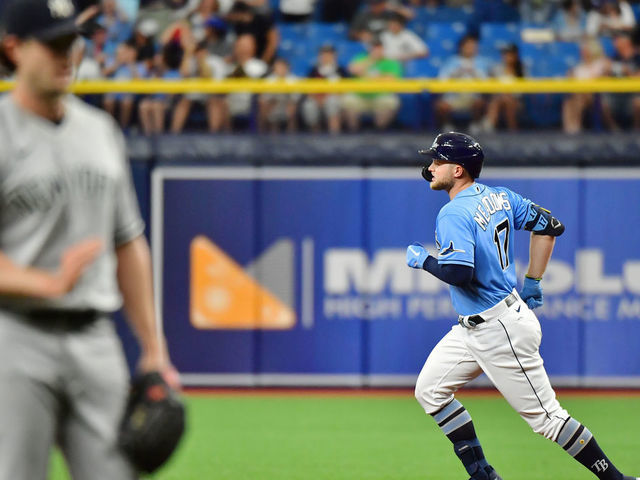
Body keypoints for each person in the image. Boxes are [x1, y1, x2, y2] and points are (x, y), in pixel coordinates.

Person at [0, 0, 178, 479]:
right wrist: (48, 283)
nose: (67, 56)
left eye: (72, 42)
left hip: (97, 340)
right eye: (53, 44)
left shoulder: (100, 132)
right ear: (13, 48)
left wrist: (153, 349)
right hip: (15, 339)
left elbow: (129, 244)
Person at [406, 131, 638, 480]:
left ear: (458, 171)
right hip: (477, 325)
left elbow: (458, 272)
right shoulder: (499, 197)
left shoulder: (453, 213)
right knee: (430, 391)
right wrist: (533, 281)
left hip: (500, 329)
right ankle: (482, 474)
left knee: (548, 420)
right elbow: (550, 226)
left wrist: (424, 260)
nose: (431, 165)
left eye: (438, 160)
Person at [434, 34, 490, 134]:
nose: (471, 49)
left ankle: (476, 124)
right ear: (462, 47)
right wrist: (456, 73)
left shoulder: (481, 62)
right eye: (468, 46)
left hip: (472, 96)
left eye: (473, 47)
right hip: (454, 96)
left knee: (480, 103)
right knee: (440, 105)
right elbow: (441, 80)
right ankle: (447, 125)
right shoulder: (451, 61)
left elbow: (486, 83)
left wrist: (474, 73)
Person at [342, 39, 402, 131]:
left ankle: (380, 130)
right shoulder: (361, 58)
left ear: (383, 49)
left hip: (380, 95)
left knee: (391, 102)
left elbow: (391, 79)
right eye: (374, 48)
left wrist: (372, 77)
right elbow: (353, 69)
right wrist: (371, 60)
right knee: (348, 100)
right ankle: (353, 131)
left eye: (379, 48)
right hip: (359, 95)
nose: (377, 51)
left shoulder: (390, 61)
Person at [562, 38, 610, 133]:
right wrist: (570, 76)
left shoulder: (602, 63)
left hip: (598, 95)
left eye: (586, 50)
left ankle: (574, 128)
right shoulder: (578, 68)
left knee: (579, 97)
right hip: (580, 95)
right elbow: (571, 82)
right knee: (568, 102)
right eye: (582, 51)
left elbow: (605, 75)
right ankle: (571, 130)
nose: (583, 53)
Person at [302, 44, 349, 133]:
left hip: (335, 97)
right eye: (324, 54)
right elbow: (307, 88)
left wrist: (330, 96)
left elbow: (346, 89)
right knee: (309, 105)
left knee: (332, 102)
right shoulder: (313, 70)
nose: (326, 57)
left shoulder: (340, 70)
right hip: (316, 98)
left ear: (334, 56)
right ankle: (314, 133)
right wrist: (317, 98)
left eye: (329, 54)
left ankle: (334, 132)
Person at [482, 43, 525, 132]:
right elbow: (491, 87)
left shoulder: (521, 70)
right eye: (505, 54)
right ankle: (489, 129)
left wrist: (509, 94)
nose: (507, 56)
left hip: (516, 100)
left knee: (508, 102)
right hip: (498, 98)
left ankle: (512, 131)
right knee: (496, 102)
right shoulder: (496, 69)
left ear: (515, 55)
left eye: (509, 54)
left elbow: (523, 91)